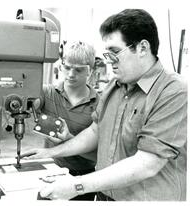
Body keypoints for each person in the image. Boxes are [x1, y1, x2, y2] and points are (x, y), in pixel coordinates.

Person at [22, 9, 187, 201]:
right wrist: (49, 152)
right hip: (104, 196)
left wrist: (77, 185)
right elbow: (95, 131)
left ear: (142, 48)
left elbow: (148, 162)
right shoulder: (114, 87)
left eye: (115, 53)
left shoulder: (174, 92)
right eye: (107, 54)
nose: (109, 62)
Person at [33, 41, 100, 200]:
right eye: (67, 67)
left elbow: (98, 156)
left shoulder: (99, 104)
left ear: (90, 71)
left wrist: (70, 139)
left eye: (78, 70)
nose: (70, 74)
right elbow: (30, 101)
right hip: (50, 172)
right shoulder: (47, 93)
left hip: (84, 178)